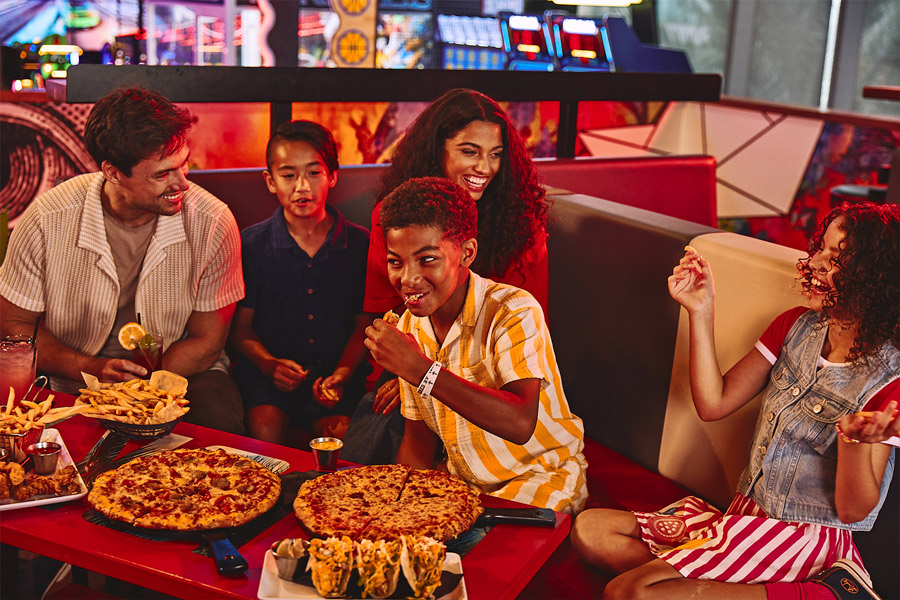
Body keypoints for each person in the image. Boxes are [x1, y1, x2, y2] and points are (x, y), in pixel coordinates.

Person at [570, 201, 900, 599]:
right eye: (820, 249)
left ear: (875, 276)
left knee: (630, 591)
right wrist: (700, 310)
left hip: (804, 538)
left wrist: (852, 440)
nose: (814, 263)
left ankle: (822, 590)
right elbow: (714, 404)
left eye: (837, 258)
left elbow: (852, 512)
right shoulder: (794, 325)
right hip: (743, 517)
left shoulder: (888, 379)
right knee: (590, 531)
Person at [0, 86, 245, 433]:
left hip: (181, 373)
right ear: (113, 173)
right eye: (162, 174)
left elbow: (208, 342)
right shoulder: (46, 218)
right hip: (70, 376)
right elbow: (15, 330)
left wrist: (141, 393)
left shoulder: (213, 221)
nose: (182, 183)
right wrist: (91, 369)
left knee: (220, 424)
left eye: (183, 164)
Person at [330, 88, 552, 463]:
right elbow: (387, 316)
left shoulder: (523, 225)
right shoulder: (395, 216)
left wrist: (424, 376)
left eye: (495, 154)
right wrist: (406, 381)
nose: (484, 167)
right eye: (469, 151)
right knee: (364, 466)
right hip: (408, 371)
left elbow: (528, 329)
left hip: (495, 382)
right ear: (438, 149)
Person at [363, 176, 587, 517]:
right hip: (462, 484)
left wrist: (419, 369)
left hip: (539, 478)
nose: (408, 278)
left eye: (426, 260)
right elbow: (418, 443)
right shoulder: (409, 326)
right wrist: (401, 510)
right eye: (396, 262)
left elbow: (519, 423)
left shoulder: (513, 309)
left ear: (466, 253)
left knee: (485, 561)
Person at [229, 120, 370, 445]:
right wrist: (269, 365)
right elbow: (241, 328)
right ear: (270, 181)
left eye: (314, 173)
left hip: (336, 373)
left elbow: (363, 325)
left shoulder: (359, 244)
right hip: (270, 375)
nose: (301, 187)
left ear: (333, 175)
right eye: (289, 175)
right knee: (264, 430)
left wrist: (342, 376)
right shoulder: (252, 244)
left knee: (342, 441)